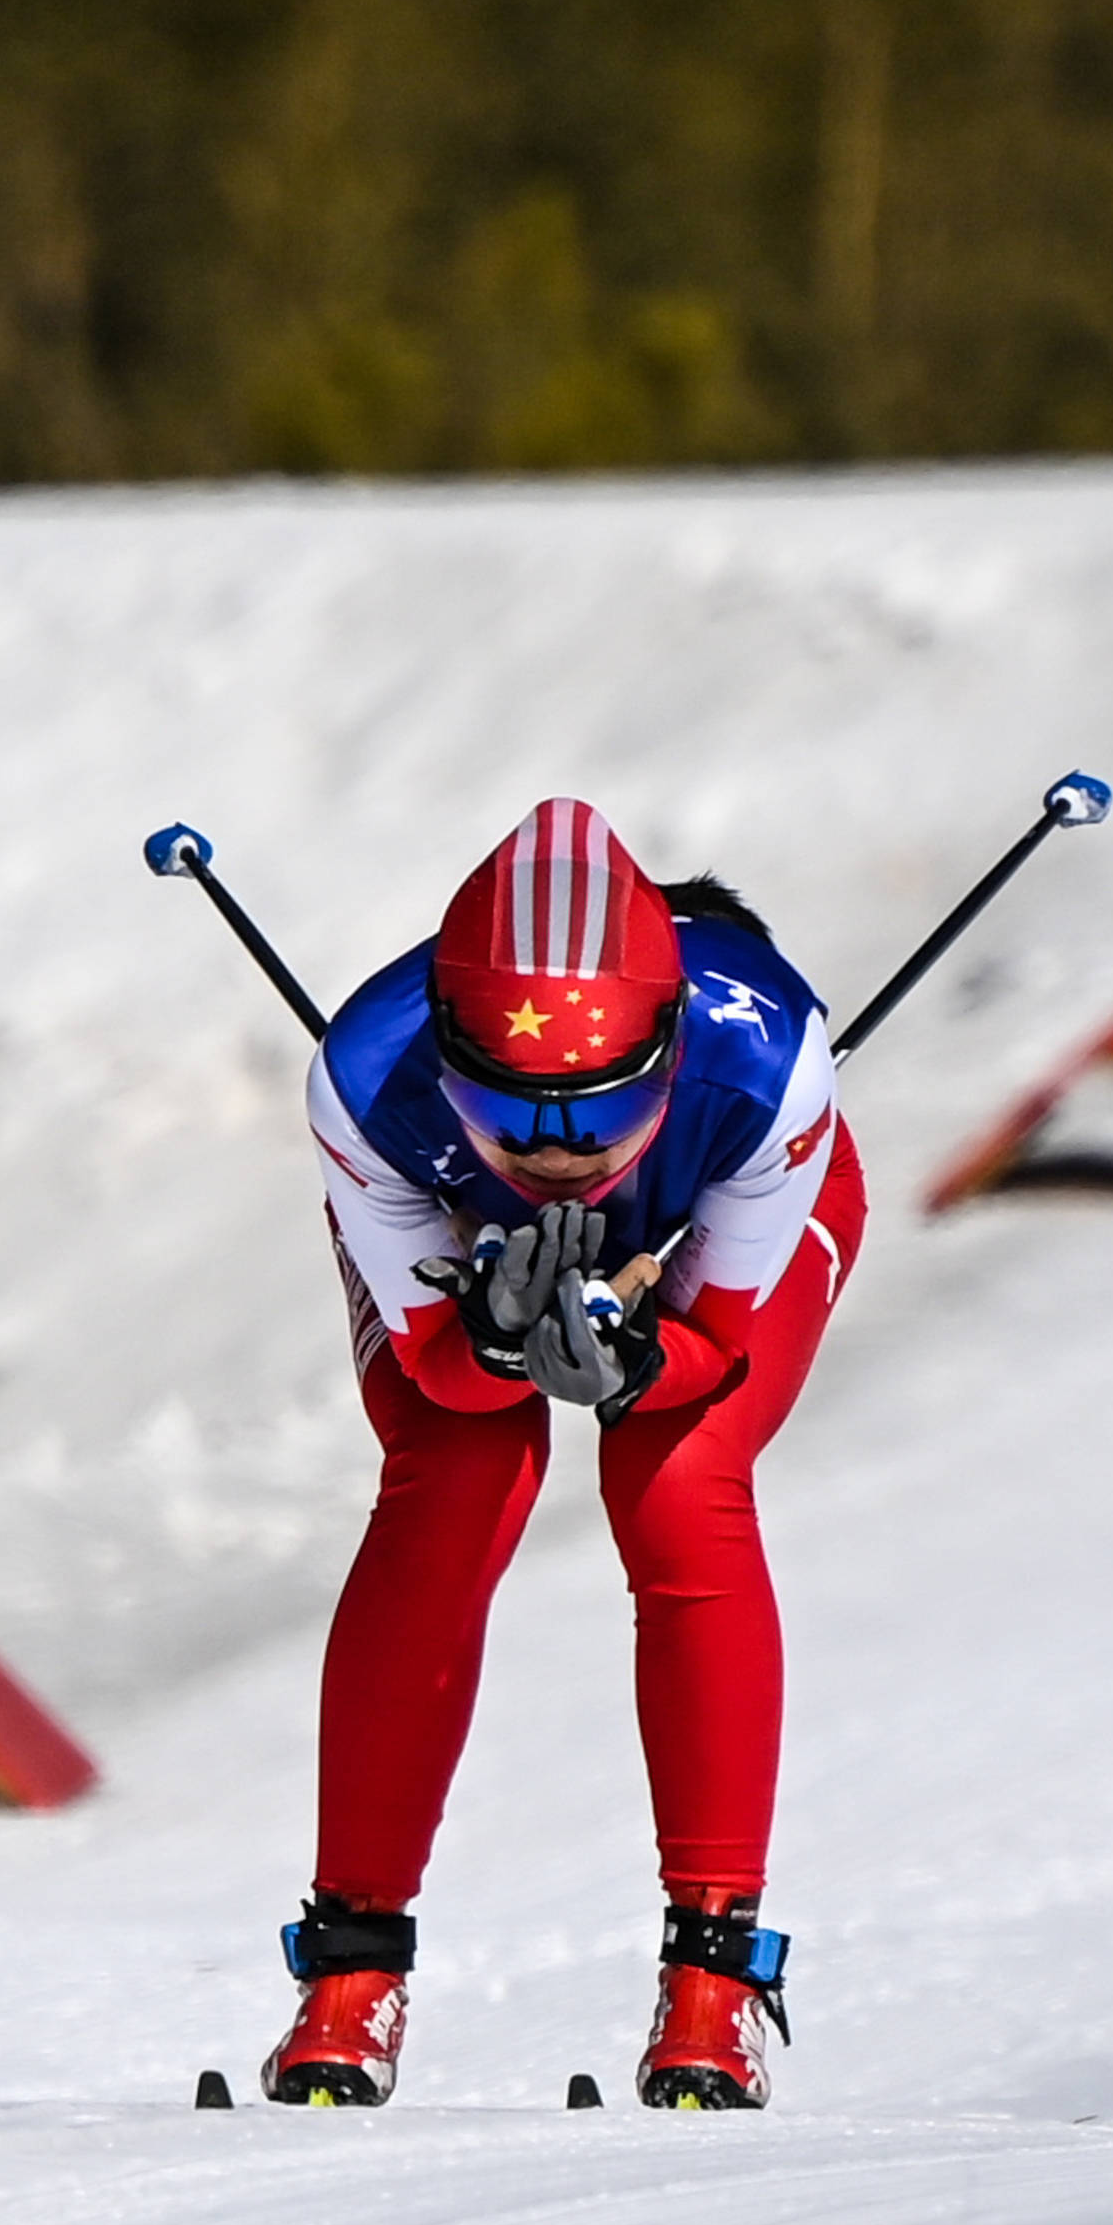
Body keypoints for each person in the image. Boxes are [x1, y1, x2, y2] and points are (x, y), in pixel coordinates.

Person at [264, 796, 857, 2111]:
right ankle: (349, 1976)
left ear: (666, 1054)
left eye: (595, 1119)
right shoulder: (366, 1082)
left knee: (678, 1477)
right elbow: (435, 1375)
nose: (553, 1159)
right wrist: (488, 1338)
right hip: (451, 1249)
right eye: (508, 1114)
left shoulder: (768, 1073)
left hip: (711, 1224)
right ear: (445, 1067)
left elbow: (722, 1346)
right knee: (458, 1477)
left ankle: (714, 1986)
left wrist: (643, 1358)